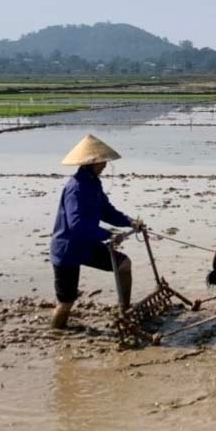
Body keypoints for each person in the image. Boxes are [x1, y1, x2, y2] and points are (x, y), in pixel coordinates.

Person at [49, 134, 144, 329]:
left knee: (124, 264)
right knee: (66, 303)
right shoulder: (76, 188)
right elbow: (76, 224)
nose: (106, 165)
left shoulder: (93, 183)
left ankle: (124, 310)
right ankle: (56, 333)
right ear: (93, 162)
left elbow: (106, 211)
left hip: (86, 245)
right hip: (68, 249)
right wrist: (107, 235)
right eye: (103, 161)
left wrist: (130, 222)